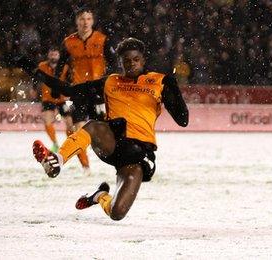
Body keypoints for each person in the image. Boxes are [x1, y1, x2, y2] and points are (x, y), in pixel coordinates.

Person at [29, 38, 188, 221]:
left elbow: (183, 120)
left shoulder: (158, 82)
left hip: (137, 154)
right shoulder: (111, 82)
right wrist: (36, 73)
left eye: (136, 59)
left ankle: (99, 196)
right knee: (94, 126)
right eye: (126, 61)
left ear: (143, 60)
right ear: (120, 63)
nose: (131, 64)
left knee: (117, 213)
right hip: (112, 141)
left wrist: (173, 86)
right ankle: (56, 159)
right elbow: (69, 90)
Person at [53, 7, 117, 174]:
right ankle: (86, 167)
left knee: (105, 130)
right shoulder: (68, 43)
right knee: (79, 129)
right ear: (77, 22)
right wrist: (56, 86)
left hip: (99, 91)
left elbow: (115, 64)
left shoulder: (102, 40)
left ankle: (117, 160)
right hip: (79, 91)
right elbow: (60, 67)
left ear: (92, 21)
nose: (85, 22)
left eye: (88, 19)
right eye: (82, 19)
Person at [36, 47, 74, 153]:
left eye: (55, 55)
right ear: (48, 55)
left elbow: (71, 80)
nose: (53, 57)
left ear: (59, 56)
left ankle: (70, 144)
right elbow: (37, 79)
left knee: (70, 124)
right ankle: (55, 144)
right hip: (48, 98)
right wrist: (34, 89)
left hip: (63, 98)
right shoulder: (42, 66)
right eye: (51, 55)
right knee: (47, 120)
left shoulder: (65, 67)